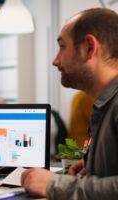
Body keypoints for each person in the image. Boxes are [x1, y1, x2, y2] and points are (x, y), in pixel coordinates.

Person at [21, 8, 118, 199]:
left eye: (62, 47)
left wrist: (55, 185)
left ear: (89, 47)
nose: (55, 61)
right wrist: (94, 166)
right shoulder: (104, 103)